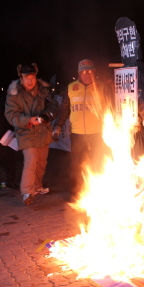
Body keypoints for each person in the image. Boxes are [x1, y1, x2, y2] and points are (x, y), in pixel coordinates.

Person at [5, 63, 59, 205]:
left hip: (42, 132)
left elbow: (54, 105)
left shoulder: (43, 90)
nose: (30, 81)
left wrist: (48, 115)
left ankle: (37, 186)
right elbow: (11, 115)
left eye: (33, 77)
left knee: (41, 162)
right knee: (31, 161)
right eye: (27, 78)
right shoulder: (14, 94)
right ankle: (27, 192)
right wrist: (28, 120)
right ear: (21, 78)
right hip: (26, 133)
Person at [55, 59, 107, 198]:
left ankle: (98, 192)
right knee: (77, 165)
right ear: (79, 73)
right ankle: (77, 192)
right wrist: (58, 126)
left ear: (94, 72)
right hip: (77, 134)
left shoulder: (101, 87)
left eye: (90, 71)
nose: (87, 74)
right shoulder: (71, 88)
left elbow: (110, 109)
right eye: (84, 71)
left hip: (97, 133)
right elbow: (64, 110)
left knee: (98, 162)